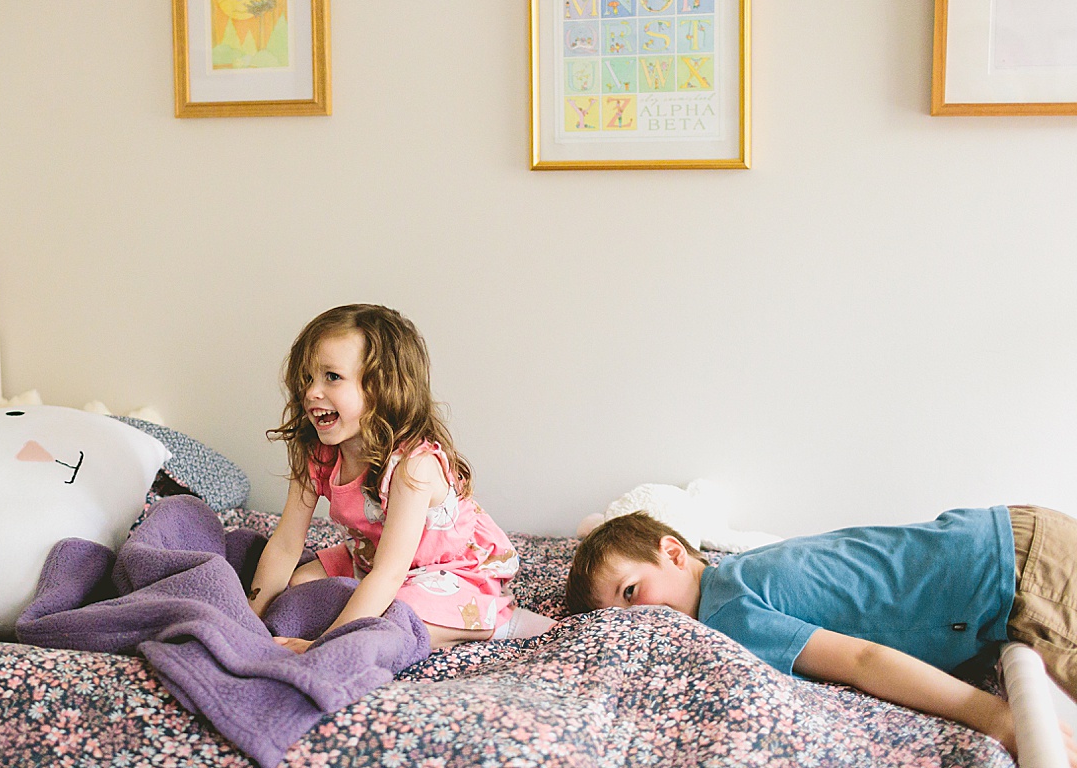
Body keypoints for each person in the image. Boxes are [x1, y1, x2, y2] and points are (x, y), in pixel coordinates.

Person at [566, 507, 1077, 764]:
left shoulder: (726, 611)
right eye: (617, 618)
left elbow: (861, 660)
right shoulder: (737, 571)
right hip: (1004, 538)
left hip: (1014, 571)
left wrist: (994, 717)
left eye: (632, 592)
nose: (636, 621)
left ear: (675, 554)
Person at [248, 304, 556, 652]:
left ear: (382, 388)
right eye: (307, 379)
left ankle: (497, 622)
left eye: (332, 377)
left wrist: (321, 646)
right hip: (372, 554)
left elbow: (389, 575)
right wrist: (250, 619)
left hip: (449, 570)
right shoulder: (316, 452)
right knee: (298, 583)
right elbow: (287, 544)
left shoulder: (414, 466)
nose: (311, 393)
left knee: (397, 617)